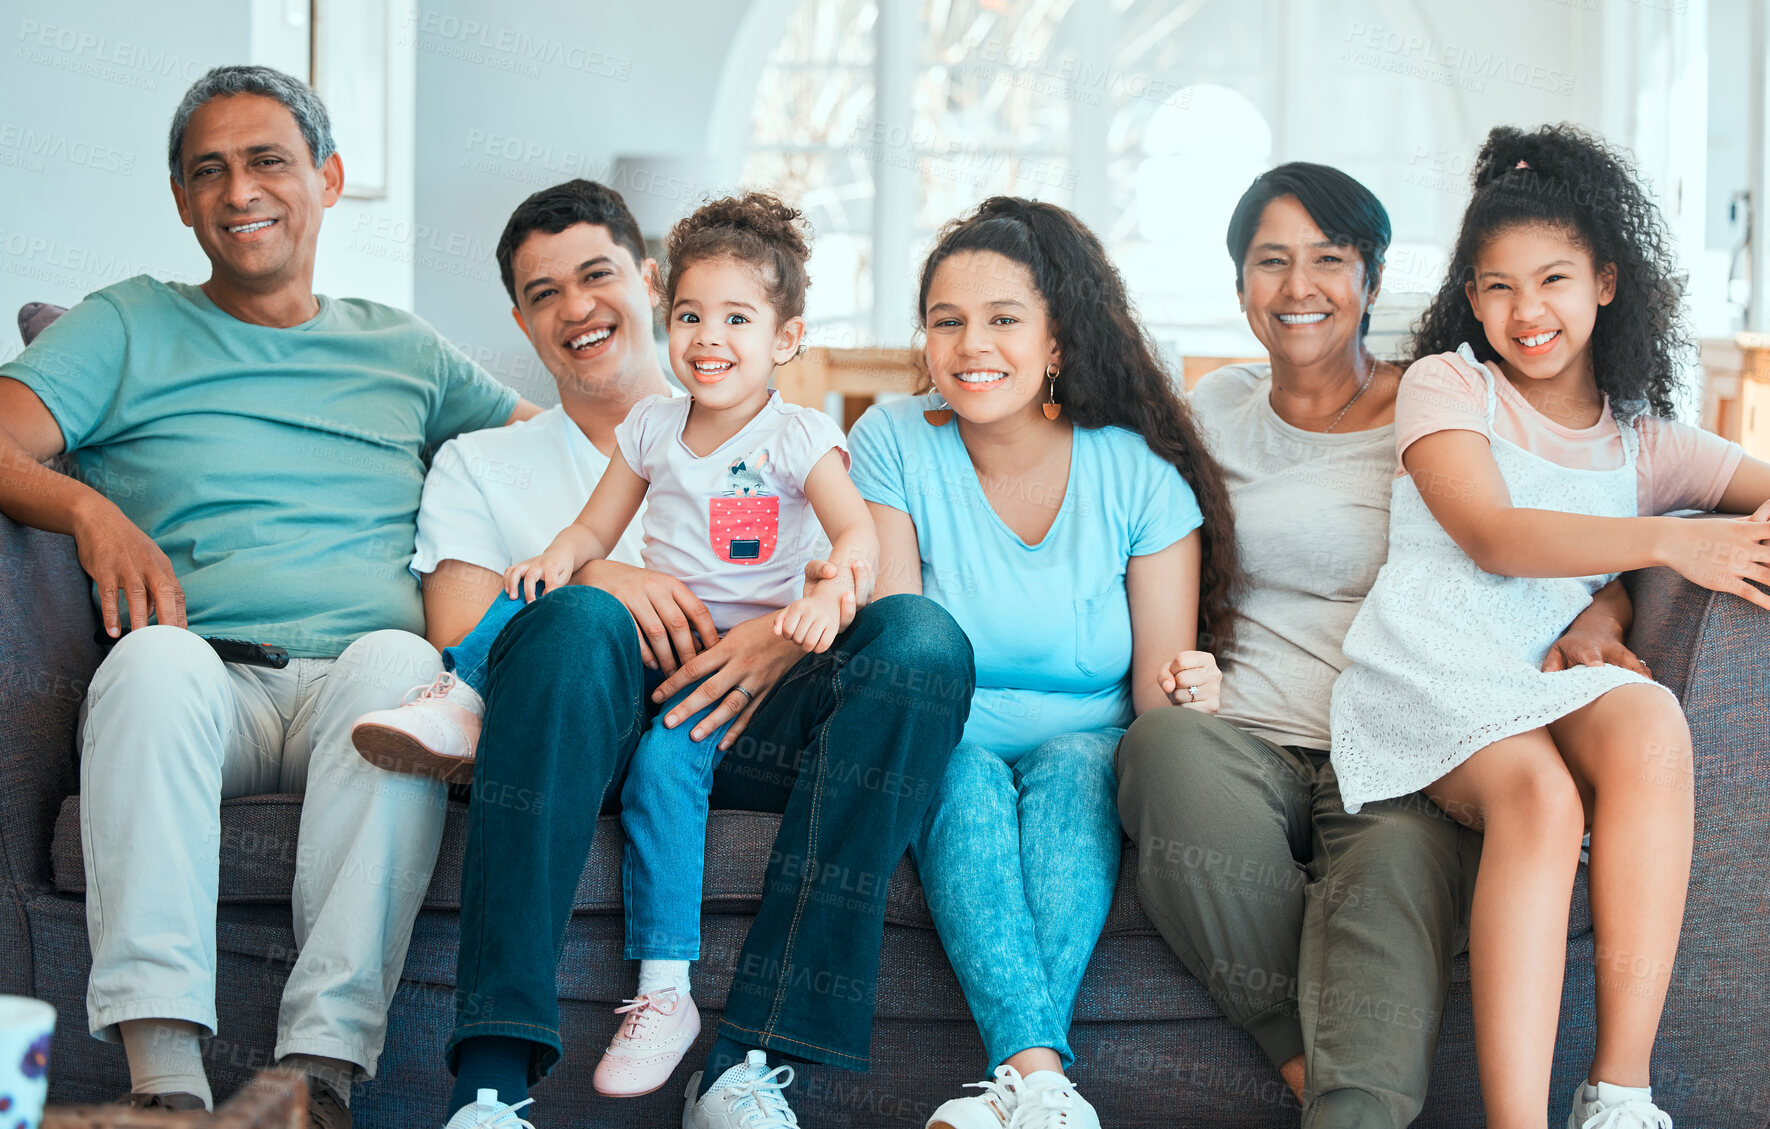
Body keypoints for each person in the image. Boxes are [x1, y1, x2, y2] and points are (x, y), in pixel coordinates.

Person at [0, 65, 534, 1129]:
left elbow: (553, 452)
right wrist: (92, 513)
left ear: (327, 179)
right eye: (210, 169)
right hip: (204, 676)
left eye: (267, 161)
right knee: (149, 661)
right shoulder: (128, 325)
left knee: (400, 668)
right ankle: (167, 1085)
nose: (239, 188)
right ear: (181, 198)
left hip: (362, 679)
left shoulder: (405, 350)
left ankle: (318, 1080)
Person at [1115, 161, 1649, 1128]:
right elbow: (1131, 526)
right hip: (1244, 738)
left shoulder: (1451, 402)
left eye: (1329, 258)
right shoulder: (1212, 412)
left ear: (1373, 277)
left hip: (1400, 753)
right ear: (1239, 287)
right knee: (1160, 749)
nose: (1299, 286)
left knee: (1389, 891)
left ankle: (1349, 1109)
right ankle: (1299, 1055)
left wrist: (1601, 607)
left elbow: (1583, 500)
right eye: (1270, 262)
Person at [421, 199, 974, 1127]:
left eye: (735, 319)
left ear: (783, 336)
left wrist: (828, 593)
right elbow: (585, 535)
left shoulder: (798, 436)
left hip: (768, 701)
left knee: (922, 636)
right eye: (695, 315)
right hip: (598, 713)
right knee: (569, 611)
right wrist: (590, 572)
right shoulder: (507, 455)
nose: (708, 337)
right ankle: (492, 1082)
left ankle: (752, 1058)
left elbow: (855, 540)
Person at [1330, 124, 1770, 1129]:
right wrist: (1660, 551)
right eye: (1496, 286)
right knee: (1541, 797)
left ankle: (1618, 1093)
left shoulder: (1644, 441)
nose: (1526, 311)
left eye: (1554, 279)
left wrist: (1610, 600)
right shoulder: (1451, 385)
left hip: (1544, 676)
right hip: (1432, 665)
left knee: (1653, 720)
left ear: (1606, 282)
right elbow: (1491, 533)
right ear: (1469, 298)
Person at [848, 196, 1238, 1129]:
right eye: (948, 321)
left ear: (1057, 341)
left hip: (1090, 739)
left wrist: (1196, 695)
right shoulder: (892, 440)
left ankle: (1016, 1088)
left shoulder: (1139, 473)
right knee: (963, 776)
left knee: (1074, 770)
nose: (971, 344)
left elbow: (1155, 693)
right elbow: (900, 640)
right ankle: (1042, 1081)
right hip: (942, 732)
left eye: (1003, 320)